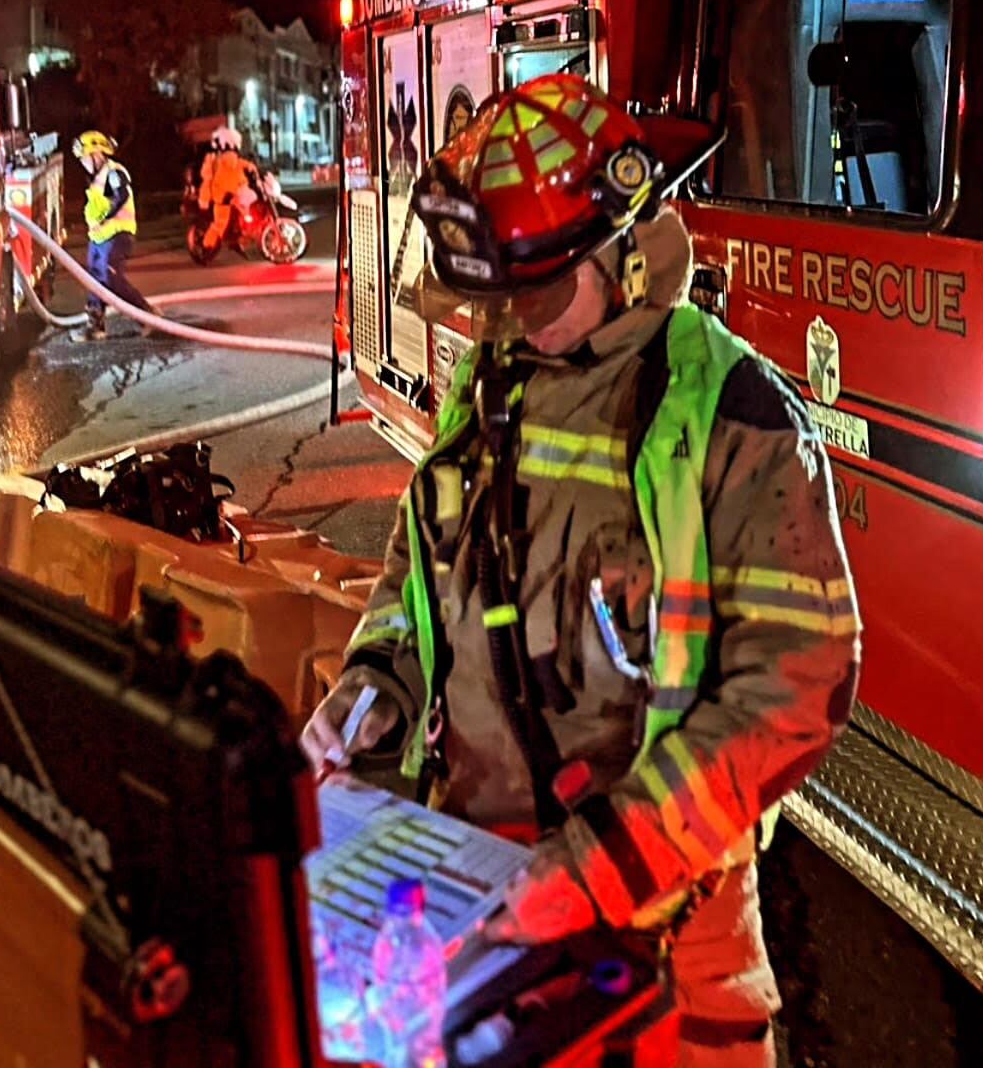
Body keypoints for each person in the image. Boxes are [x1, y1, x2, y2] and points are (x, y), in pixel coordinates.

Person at [302, 75, 859, 1066]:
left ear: (624, 253)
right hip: (481, 892)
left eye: (542, 294)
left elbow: (796, 686)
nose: (515, 322)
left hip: (665, 930)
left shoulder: (726, 409)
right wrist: (377, 686)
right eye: (499, 300)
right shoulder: (495, 381)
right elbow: (423, 570)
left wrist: (600, 866)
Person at [72, 129, 155, 341]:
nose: (83, 163)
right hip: (99, 237)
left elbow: (121, 195)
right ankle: (95, 326)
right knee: (94, 280)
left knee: (111, 279)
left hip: (118, 234)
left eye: (85, 158)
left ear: (96, 154)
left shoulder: (114, 173)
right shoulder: (97, 179)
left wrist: (105, 215)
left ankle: (147, 316)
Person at [197, 124, 256, 253]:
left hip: (233, 194)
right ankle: (206, 246)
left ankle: (239, 238)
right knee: (220, 224)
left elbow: (242, 164)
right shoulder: (219, 161)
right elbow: (216, 180)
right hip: (223, 197)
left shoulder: (228, 159)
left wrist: (251, 168)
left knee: (245, 213)